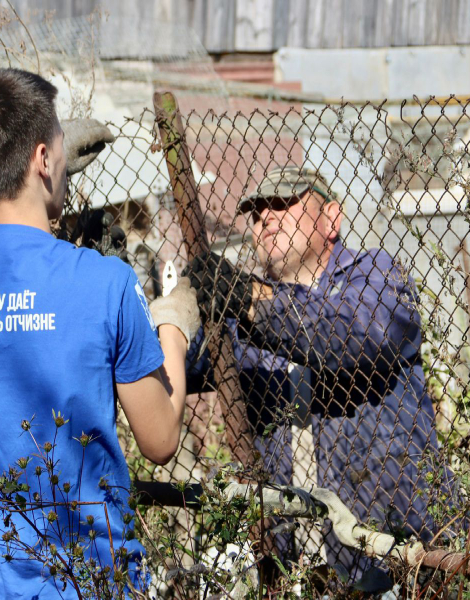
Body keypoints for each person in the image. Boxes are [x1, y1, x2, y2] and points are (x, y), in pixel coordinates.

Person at [0, 68, 200, 598]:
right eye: (58, 149)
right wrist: (173, 327)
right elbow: (160, 441)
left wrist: (7, 172)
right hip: (89, 577)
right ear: (44, 160)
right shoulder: (103, 283)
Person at [186, 166, 454, 576]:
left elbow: (356, 332)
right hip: (298, 570)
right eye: (256, 214)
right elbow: (171, 364)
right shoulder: (239, 317)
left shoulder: (374, 275)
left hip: (399, 556)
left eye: (283, 203)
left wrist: (252, 300)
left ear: (331, 218)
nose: (265, 218)